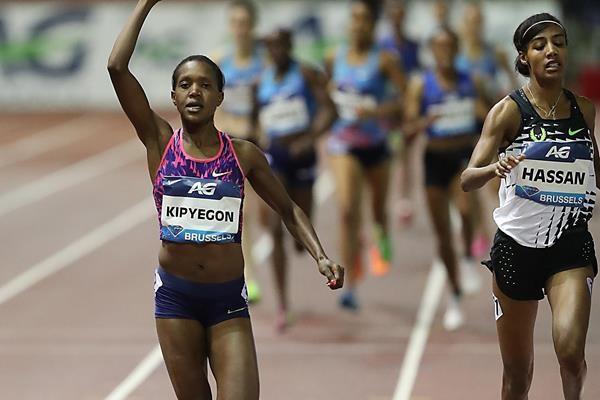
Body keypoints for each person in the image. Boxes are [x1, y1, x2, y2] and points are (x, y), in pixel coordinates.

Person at [107, 1, 344, 398]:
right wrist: (146, 3)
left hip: (227, 299)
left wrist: (320, 255)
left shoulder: (243, 154)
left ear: (220, 96)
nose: (194, 91)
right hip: (176, 299)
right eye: (185, 84)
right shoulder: (160, 142)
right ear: (174, 96)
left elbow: (288, 209)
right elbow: (117, 67)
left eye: (204, 85)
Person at [461, 13, 597, 399]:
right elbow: (467, 179)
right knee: (517, 376)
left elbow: (594, 170)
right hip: (516, 248)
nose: (552, 51)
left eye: (559, 43)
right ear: (524, 57)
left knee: (570, 352)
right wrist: (494, 167)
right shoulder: (508, 111)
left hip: (569, 244)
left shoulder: (583, 110)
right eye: (540, 46)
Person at [403, 26, 488, 330]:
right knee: (442, 234)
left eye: (450, 46)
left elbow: (492, 117)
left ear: (457, 48)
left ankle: (467, 258)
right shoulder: (420, 85)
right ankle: (454, 294)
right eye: (439, 47)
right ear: (432, 51)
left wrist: (479, 112)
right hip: (435, 161)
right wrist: (425, 122)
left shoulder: (471, 81)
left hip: (462, 158)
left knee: (465, 212)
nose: (445, 52)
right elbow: (407, 132)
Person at [255, 28, 337, 332]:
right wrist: (258, 137)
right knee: (275, 228)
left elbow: (330, 110)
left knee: (301, 226)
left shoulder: (305, 74)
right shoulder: (260, 81)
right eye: (270, 46)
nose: (275, 51)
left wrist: (310, 138)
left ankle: (302, 242)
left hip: (302, 155)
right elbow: (253, 121)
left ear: (289, 46)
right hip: (275, 158)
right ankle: (282, 303)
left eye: (280, 45)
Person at [325, 0, 405, 310]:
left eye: (363, 19)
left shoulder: (384, 60)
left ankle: (381, 233)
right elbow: (326, 93)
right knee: (347, 211)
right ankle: (350, 286)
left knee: (378, 211)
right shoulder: (334, 57)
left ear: (372, 24)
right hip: (344, 144)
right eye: (354, 18)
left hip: (377, 145)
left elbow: (404, 102)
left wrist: (376, 111)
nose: (357, 24)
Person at [213, 0, 266, 303]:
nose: (240, 29)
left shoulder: (264, 62)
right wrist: (227, 126)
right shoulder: (220, 60)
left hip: (260, 143)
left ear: (253, 25)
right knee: (240, 213)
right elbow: (213, 105)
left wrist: (260, 127)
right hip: (232, 143)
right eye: (235, 22)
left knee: (266, 214)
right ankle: (250, 276)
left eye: (244, 23)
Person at [378, 0, 422, 225]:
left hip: (405, 109)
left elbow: (417, 75)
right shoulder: (381, 45)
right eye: (393, 13)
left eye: (401, 13)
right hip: (386, 110)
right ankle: (387, 197)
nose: (397, 17)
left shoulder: (413, 45)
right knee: (386, 156)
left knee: (406, 154)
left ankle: (405, 197)